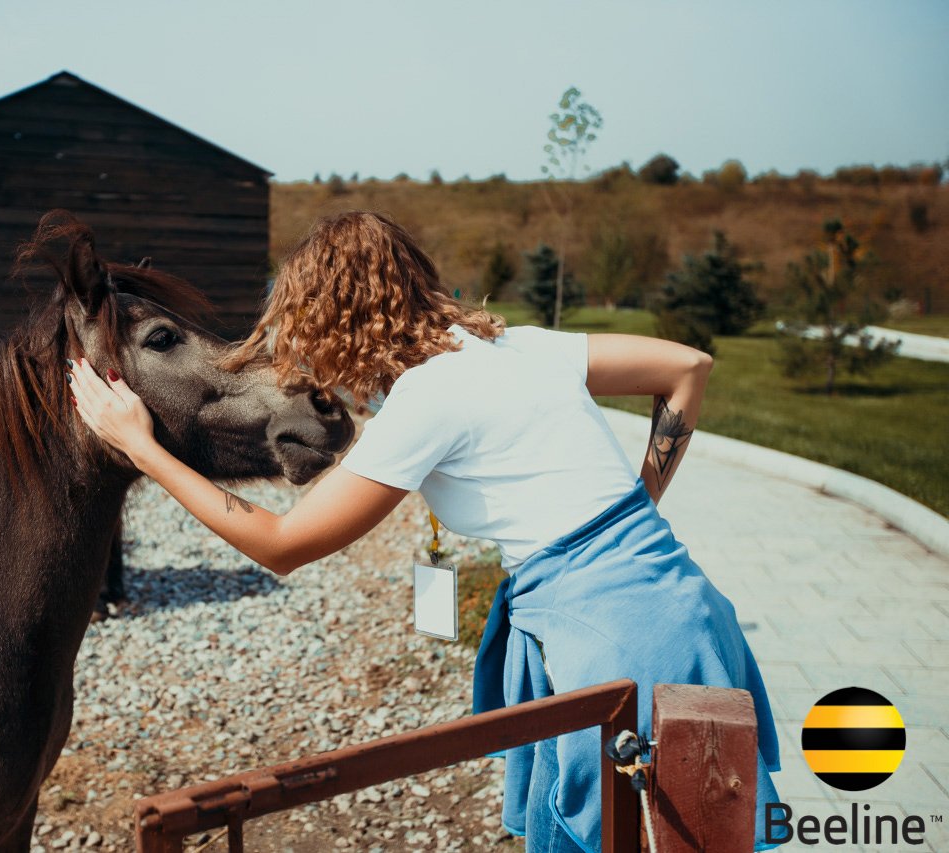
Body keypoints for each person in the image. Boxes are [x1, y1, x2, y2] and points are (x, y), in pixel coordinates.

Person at [67, 211, 782, 852]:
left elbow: (282, 545)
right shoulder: (515, 346)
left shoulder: (428, 398)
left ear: (335, 315)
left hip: (614, 639)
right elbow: (688, 367)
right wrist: (638, 504)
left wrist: (144, 450)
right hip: (682, 602)